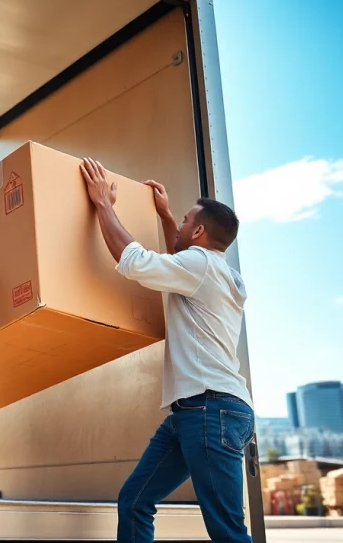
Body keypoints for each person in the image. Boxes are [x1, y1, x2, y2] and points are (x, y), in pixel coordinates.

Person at [78, 158, 254, 543]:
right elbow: (180, 256)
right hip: (196, 411)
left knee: (227, 531)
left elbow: (135, 262)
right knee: (135, 499)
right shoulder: (217, 269)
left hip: (211, 410)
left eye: (188, 219)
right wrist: (166, 214)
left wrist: (102, 205)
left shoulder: (200, 266)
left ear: (201, 231)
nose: (182, 224)